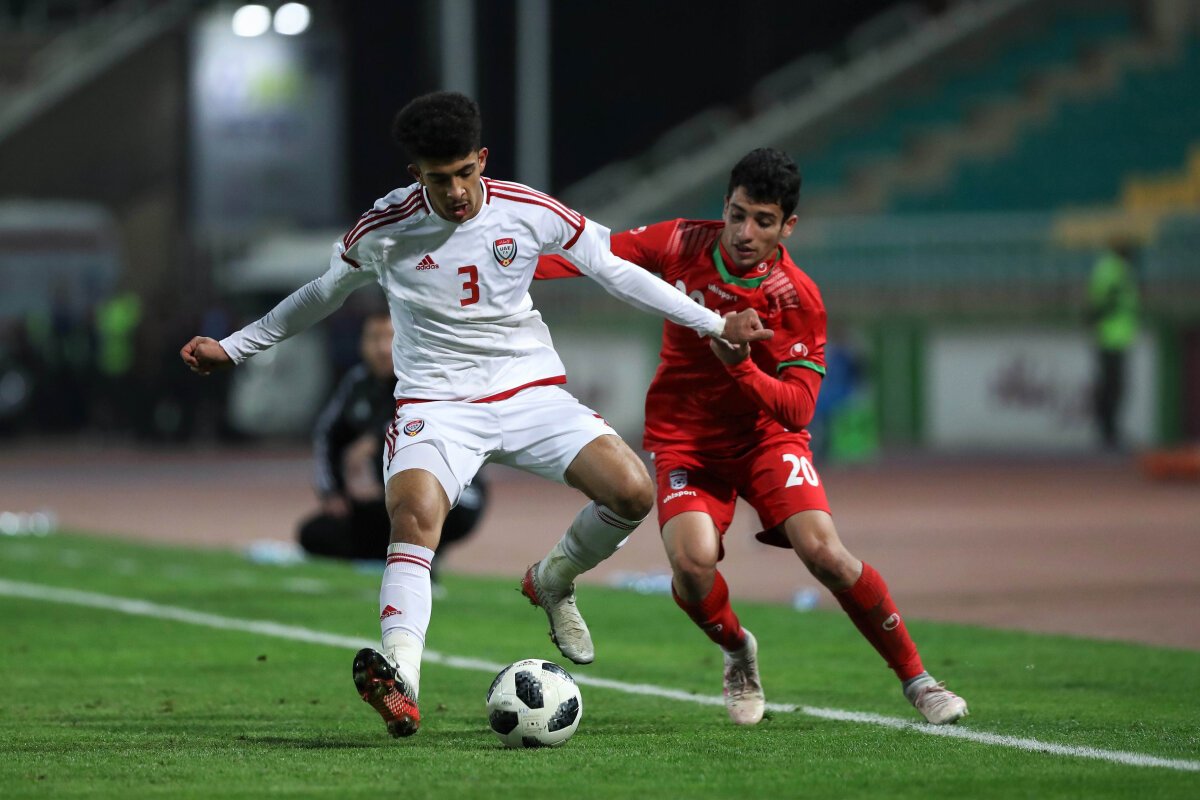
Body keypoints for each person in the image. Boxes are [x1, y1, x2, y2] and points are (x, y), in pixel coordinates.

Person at [179, 91, 772, 739]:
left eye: (465, 172)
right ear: (417, 175)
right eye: (440, 179)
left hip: (528, 392)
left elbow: (616, 272)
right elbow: (323, 293)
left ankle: (554, 579)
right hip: (436, 405)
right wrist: (235, 347)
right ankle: (401, 679)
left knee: (632, 492)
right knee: (413, 517)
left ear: (482, 159)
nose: (457, 191)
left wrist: (715, 323)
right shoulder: (385, 229)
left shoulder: (528, 210)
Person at [536, 148, 968, 727]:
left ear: (787, 226)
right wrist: (503, 266)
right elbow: (593, 253)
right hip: (687, 442)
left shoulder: (796, 297)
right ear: (725, 206)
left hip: (767, 440)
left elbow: (799, 409)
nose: (744, 232)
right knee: (691, 566)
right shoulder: (681, 242)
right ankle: (738, 651)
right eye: (737, 215)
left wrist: (739, 366)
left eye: (763, 221)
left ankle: (919, 681)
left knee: (826, 555)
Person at [297, 309, 486, 571]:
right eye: (374, 338)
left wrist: (375, 441)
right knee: (316, 533)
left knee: (407, 473)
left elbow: (432, 429)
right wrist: (333, 493)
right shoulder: (357, 384)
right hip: (379, 503)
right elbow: (327, 435)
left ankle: (420, 559)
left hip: (456, 498)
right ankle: (395, 558)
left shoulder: (426, 380)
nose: (383, 348)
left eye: (390, 337)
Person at [1087, 239, 1139, 450]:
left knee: (1112, 386)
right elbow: (1104, 302)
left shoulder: (1109, 268)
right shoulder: (1114, 270)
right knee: (1112, 386)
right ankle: (1108, 432)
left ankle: (1109, 431)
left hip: (1113, 335)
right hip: (1111, 336)